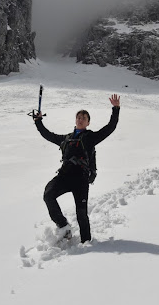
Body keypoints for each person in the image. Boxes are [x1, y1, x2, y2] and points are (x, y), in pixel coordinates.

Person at [33, 94, 121, 243]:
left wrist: (116, 109)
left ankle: (86, 242)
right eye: (78, 117)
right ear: (75, 120)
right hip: (64, 176)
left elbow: (110, 128)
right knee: (48, 194)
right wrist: (38, 121)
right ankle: (63, 226)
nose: (80, 119)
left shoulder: (90, 137)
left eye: (84, 118)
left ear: (88, 123)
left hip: (80, 179)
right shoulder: (66, 138)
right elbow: (48, 135)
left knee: (81, 212)